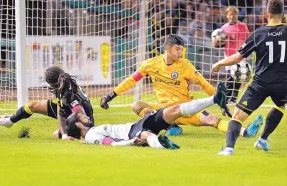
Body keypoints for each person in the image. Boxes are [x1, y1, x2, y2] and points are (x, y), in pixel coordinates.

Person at [212, 0, 287, 155]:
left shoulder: (258, 34)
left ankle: (229, 149)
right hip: (283, 83)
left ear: (267, 14)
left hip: (260, 83)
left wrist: (219, 63)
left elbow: (237, 58)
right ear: (283, 14)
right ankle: (263, 139)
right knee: (280, 106)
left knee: (238, 116)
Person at [100, 34, 262, 138]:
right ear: (167, 48)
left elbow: (203, 84)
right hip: (164, 111)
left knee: (212, 119)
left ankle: (244, 131)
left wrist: (220, 100)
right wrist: (110, 95)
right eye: (177, 49)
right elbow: (131, 80)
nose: (180, 53)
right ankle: (171, 125)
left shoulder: (185, 65)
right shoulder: (149, 65)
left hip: (186, 108)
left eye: (182, 50)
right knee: (136, 105)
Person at [67, 82, 230, 149]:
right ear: (78, 125)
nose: (86, 116)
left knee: (172, 110)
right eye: (81, 117)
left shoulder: (90, 131)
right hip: (133, 133)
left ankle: (215, 98)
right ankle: (163, 145)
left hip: (137, 125)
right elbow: (111, 143)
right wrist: (132, 141)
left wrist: (63, 135)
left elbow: (62, 132)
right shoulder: (90, 136)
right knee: (146, 135)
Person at [0, 66, 95, 140]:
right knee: (32, 106)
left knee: (55, 134)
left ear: (52, 82)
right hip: (69, 112)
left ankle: (79, 133)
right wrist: (63, 135)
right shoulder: (63, 87)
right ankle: (9, 121)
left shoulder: (69, 94)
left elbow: (81, 112)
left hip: (81, 120)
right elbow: (60, 112)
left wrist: (80, 133)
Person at [213, 6, 250, 103]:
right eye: (230, 14)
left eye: (234, 14)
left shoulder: (243, 26)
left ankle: (231, 98)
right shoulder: (223, 28)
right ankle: (229, 98)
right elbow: (220, 43)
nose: (232, 16)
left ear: (237, 15)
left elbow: (248, 39)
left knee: (236, 77)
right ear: (227, 16)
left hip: (240, 56)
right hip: (229, 56)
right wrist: (216, 43)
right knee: (232, 77)